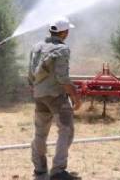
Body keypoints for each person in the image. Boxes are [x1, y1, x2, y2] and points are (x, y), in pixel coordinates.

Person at [28, 17, 82, 180]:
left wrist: (37, 88)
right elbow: (62, 78)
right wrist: (75, 96)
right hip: (56, 96)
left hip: (39, 95)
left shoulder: (36, 47)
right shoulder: (62, 49)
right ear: (64, 32)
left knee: (40, 132)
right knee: (66, 130)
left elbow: (30, 74)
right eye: (68, 31)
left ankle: (39, 169)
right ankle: (58, 170)